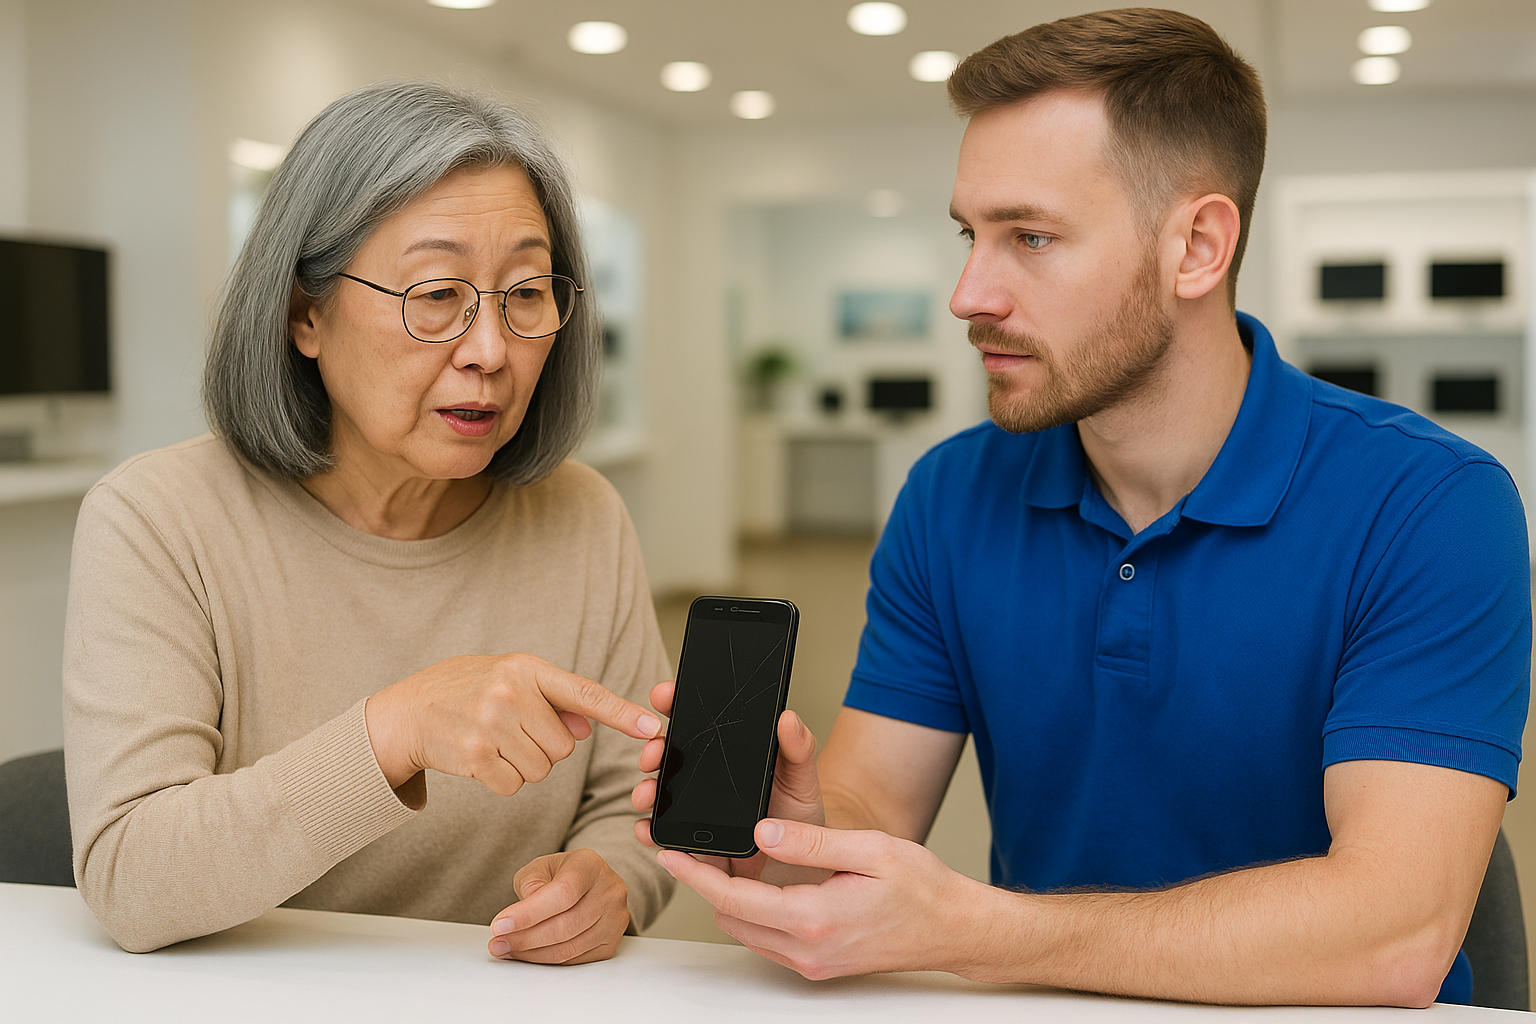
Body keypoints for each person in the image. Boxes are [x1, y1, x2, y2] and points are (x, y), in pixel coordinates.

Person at [633, 8, 1530, 1007]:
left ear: (1197, 246)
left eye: (1031, 236)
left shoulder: (1429, 505)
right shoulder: (950, 494)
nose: (969, 293)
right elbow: (872, 803)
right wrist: (795, 837)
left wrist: (979, 930)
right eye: (970, 235)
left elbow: (1393, 931)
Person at [63, 81, 673, 962]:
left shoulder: (582, 515)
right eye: (434, 294)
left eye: (526, 293)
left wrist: (611, 881)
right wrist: (396, 731)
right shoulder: (158, 521)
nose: (490, 351)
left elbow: (629, 803)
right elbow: (131, 878)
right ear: (303, 312)